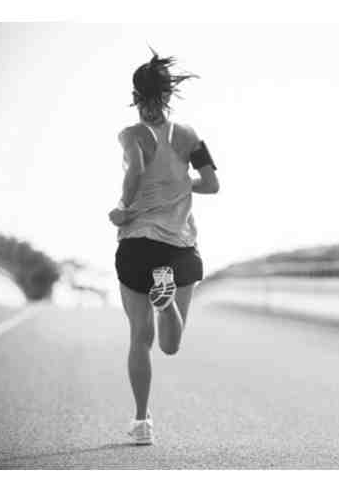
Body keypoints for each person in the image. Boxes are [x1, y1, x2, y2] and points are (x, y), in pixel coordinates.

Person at [108, 49, 219, 445]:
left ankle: (142, 422)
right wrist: (182, 184)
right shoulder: (189, 136)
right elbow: (212, 184)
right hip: (179, 248)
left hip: (138, 244)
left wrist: (124, 208)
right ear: (169, 96)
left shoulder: (131, 134)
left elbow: (136, 170)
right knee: (171, 345)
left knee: (140, 338)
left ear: (135, 97)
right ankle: (166, 302)